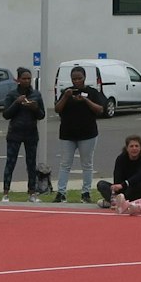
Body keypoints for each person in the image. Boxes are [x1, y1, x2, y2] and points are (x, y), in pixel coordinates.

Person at [52, 65, 106, 204]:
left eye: (79, 78)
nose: (76, 81)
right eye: (74, 79)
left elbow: (100, 109)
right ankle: (61, 193)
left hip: (87, 134)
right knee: (65, 164)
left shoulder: (92, 92)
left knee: (87, 164)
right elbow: (57, 109)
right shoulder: (66, 92)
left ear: (84, 78)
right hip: (67, 134)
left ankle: (86, 193)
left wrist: (85, 100)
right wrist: (65, 96)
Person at [1, 66, 45, 202]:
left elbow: (42, 115)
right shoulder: (12, 95)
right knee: (10, 162)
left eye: (28, 78)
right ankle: (6, 193)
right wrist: (17, 102)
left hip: (31, 133)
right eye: (24, 78)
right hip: (15, 133)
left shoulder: (36, 95)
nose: (27, 81)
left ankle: (32, 192)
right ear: (18, 80)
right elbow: (6, 114)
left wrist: (35, 107)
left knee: (31, 164)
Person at [97, 134, 141, 208]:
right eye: (131, 146)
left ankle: (116, 203)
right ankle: (119, 202)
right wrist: (116, 188)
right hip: (124, 190)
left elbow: (140, 176)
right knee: (101, 184)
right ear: (127, 148)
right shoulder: (121, 158)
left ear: (140, 147)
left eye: (136, 146)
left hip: (139, 188)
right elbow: (117, 177)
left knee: (139, 185)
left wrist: (124, 184)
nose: (134, 148)